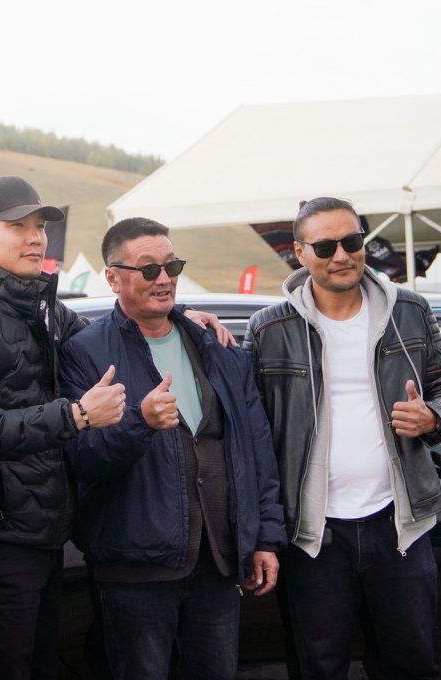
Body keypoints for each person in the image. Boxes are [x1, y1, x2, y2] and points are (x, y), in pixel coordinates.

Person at [0, 176, 233, 679]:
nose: (35, 238)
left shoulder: (41, 305)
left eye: (40, 226)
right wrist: (76, 416)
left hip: (47, 530)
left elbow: (112, 338)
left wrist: (175, 317)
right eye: (18, 227)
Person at [244, 197, 441, 680]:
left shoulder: (409, 311)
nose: (342, 255)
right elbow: (251, 432)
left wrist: (432, 416)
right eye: (325, 247)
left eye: (352, 241)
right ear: (300, 253)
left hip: (399, 523)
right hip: (312, 534)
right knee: (319, 667)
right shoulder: (270, 328)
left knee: (411, 664)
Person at [60, 217, 287, 680]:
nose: (163, 279)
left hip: (219, 561)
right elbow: (82, 460)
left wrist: (265, 538)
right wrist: (139, 423)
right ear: (113, 278)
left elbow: (255, 451)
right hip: (136, 569)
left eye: (172, 266)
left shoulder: (215, 346)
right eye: (148, 269)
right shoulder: (85, 352)